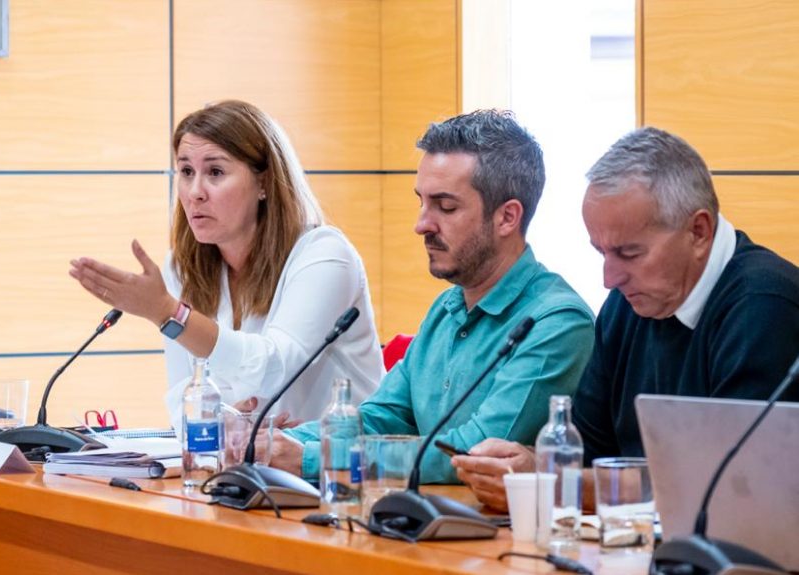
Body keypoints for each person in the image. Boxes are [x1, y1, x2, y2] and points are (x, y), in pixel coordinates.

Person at [454, 127, 799, 511]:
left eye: (629, 254)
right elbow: (587, 455)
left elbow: (730, 485)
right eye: (601, 252)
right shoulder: (626, 304)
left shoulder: (765, 306)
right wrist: (536, 464)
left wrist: (552, 486)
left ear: (698, 232)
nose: (609, 278)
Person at [268, 110, 595, 484]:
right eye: (421, 202)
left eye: (446, 207)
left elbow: (471, 452)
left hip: (494, 537)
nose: (421, 224)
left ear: (507, 217)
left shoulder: (558, 322)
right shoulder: (447, 307)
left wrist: (312, 459)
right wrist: (273, 443)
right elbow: (382, 416)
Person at [69, 100, 384, 430]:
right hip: (243, 470)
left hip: (342, 470)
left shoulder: (324, 255)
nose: (195, 193)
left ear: (264, 183)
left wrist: (169, 314)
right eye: (187, 172)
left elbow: (275, 370)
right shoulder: (181, 267)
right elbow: (183, 395)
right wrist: (224, 425)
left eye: (215, 172)